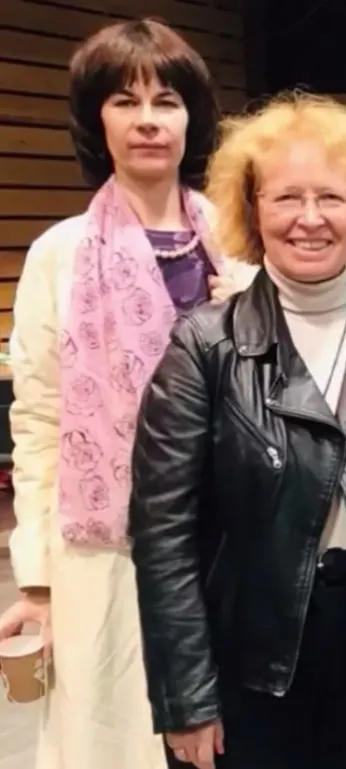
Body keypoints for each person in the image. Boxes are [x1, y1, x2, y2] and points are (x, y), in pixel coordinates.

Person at [126, 94, 346, 769]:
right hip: (248, 666)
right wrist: (186, 698)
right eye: (287, 197)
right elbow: (163, 537)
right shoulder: (204, 348)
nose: (310, 218)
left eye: (331, 197)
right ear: (253, 208)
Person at [0, 19, 254, 769]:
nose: (148, 120)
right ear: (96, 119)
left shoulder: (239, 242)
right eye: (125, 101)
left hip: (234, 540)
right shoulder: (59, 254)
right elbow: (38, 419)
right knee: (120, 737)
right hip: (107, 553)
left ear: (192, 118)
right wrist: (37, 583)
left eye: (167, 101)